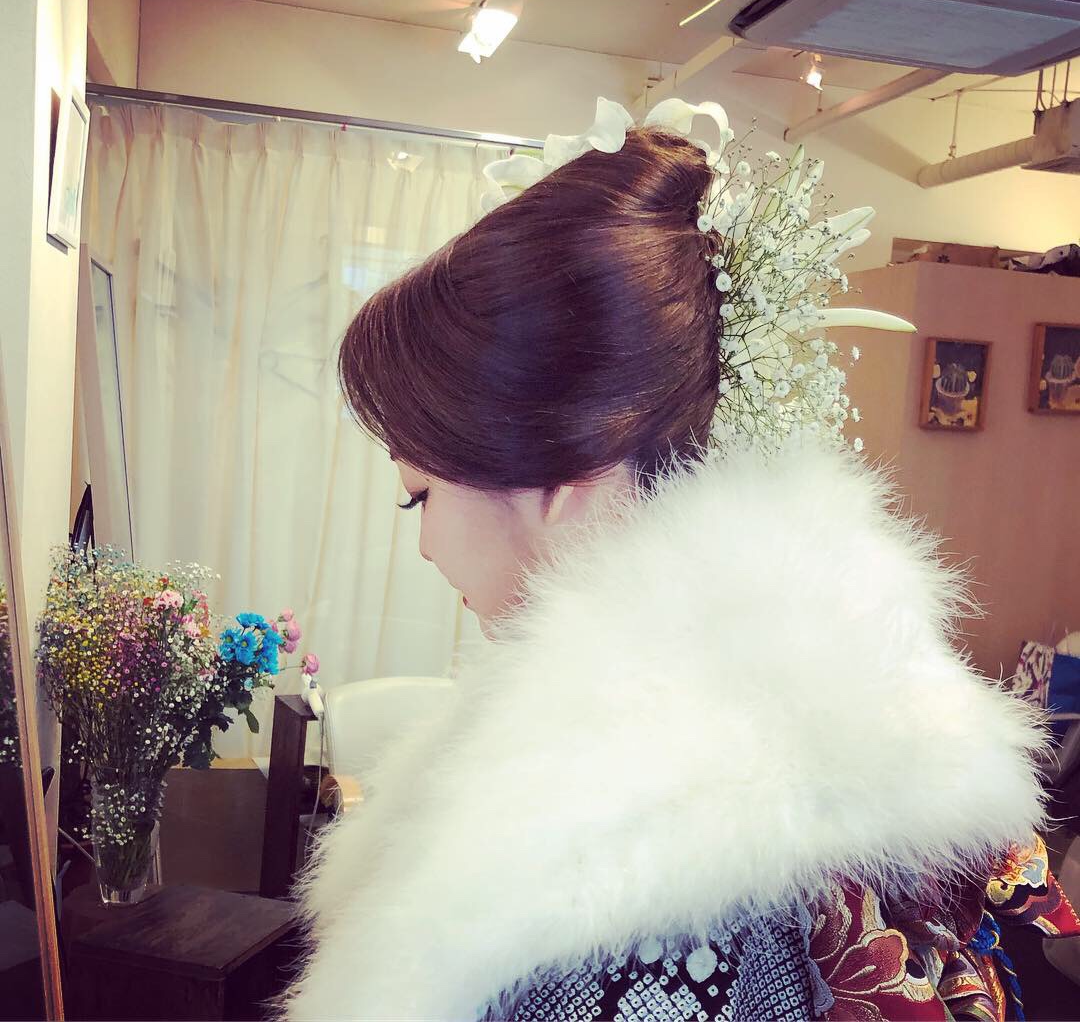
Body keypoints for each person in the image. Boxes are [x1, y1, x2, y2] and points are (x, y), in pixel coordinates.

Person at [284, 99, 1077, 1021]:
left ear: (560, 472)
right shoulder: (821, 715)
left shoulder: (624, 870)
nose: (423, 544)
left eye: (418, 495)